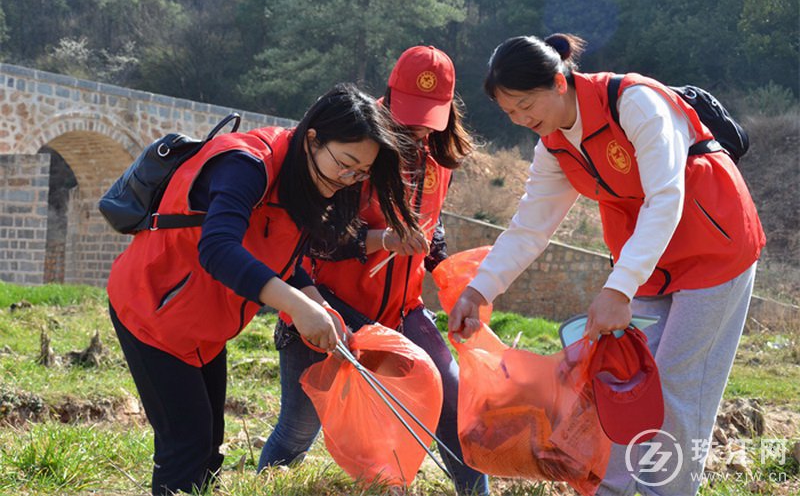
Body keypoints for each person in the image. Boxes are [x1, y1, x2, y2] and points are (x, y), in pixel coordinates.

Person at [448, 34, 764, 496]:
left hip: (716, 251)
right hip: (650, 264)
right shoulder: (552, 145)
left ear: (559, 82)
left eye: (524, 104)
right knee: (622, 382)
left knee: (676, 387)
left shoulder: (635, 103)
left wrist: (617, 290)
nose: (521, 119)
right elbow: (530, 227)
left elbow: (666, 199)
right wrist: (480, 290)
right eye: (509, 112)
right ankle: (609, 489)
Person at [106, 83, 420, 496]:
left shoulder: (305, 181)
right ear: (312, 139)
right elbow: (217, 249)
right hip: (152, 313)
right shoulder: (247, 164)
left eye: (360, 174)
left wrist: (319, 307)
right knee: (185, 447)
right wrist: (298, 309)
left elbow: (282, 261)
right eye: (345, 164)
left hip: (203, 327)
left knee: (209, 448)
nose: (348, 179)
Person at [259, 46, 489, 496]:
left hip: (402, 309)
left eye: (429, 116)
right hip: (328, 305)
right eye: (408, 114)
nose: (417, 127)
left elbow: (431, 228)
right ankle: (262, 488)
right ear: (389, 93)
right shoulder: (356, 143)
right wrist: (382, 240)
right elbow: (313, 239)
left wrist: (453, 277)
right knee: (297, 429)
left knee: (453, 403)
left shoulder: (439, 158)